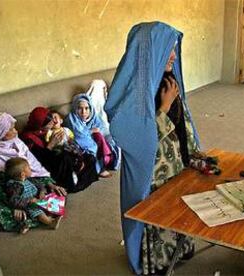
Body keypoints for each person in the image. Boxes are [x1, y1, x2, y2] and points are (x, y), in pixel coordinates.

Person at [105, 22, 201, 274]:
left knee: (177, 205)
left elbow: (183, 123)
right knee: (155, 210)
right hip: (152, 170)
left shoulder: (168, 79)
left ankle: (179, 250)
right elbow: (128, 132)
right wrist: (163, 110)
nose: (173, 55)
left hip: (175, 163)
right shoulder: (135, 89)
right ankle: (155, 263)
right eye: (168, 48)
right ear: (152, 50)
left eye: (174, 48)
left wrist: (192, 152)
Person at [0, 112, 66, 232]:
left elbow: (33, 168)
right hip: (6, 196)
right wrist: (15, 206)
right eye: (11, 129)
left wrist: (50, 184)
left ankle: (32, 216)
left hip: (28, 187)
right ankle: (28, 220)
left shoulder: (17, 143)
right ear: (1, 133)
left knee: (56, 192)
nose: (16, 131)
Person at [21, 107, 98, 193]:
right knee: (66, 157)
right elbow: (38, 161)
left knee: (90, 158)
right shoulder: (29, 139)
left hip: (63, 158)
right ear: (42, 125)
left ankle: (79, 175)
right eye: (50, 122)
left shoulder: (44, 131)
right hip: (51, 166)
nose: (53, 122)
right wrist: (51, 144)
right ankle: (72, 185)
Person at [4, 157, 62, 233]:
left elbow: (40, 185)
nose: (31, 169)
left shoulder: (30, 180)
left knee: (53, 200)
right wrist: (29, 201)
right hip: (29, 205)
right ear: (22, 174)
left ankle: (52, 214)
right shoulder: (15, 186)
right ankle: (49, 222)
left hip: (38, 199)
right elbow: (14, 200)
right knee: (37, 211)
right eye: (29, 168)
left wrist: (42, 192)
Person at [65, 94, 115, 178]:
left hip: (92, 139)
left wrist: (95, 133)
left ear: (90, 108)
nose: (83, 112)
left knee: (106, 138)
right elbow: (79, 134)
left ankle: (106, 162)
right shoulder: (72, 119)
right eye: (80, 108)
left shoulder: (94, 117)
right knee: (91, 145)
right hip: (77, 143)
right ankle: (98, 169)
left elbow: (101, 127)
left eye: (86, 108)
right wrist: (91, 131)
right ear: (75, 109)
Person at [86, 79, 121, 170]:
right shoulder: (86, 103)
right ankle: (111, 160)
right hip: (98, 129)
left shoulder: (106, 101)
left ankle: (115, 159)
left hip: (107, 127)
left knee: (115, 140)